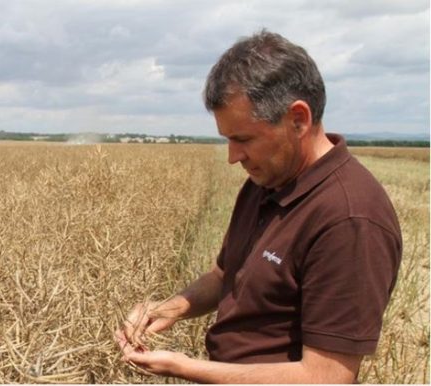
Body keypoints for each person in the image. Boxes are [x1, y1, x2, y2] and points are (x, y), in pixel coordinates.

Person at [115, 29, 402, 383]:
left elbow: (325, 377)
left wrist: (182, 367)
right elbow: (226, 277)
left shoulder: (350, 218)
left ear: (298, 119)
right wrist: (170, 307)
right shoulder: (264, 182)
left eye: (243, 139)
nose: (233, 158)